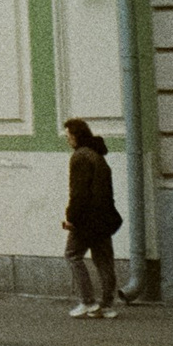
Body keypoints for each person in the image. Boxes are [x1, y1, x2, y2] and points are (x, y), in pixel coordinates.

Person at [60, 117, 123, 318]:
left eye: (68, 135)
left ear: (76, 136)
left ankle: (88, 302)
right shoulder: (98, 155)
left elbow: (78, 193)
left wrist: (71, 218)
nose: (68, 140)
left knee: (72, 255)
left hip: (86, 219)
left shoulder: (80, 157)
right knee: (104, 261)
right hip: (104, 217)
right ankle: (107, 306)